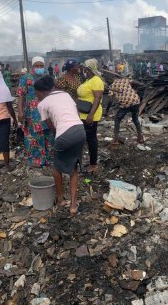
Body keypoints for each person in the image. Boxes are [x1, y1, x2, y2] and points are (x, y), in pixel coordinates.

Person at [35, 75, 86, 216]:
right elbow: (75, 113)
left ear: (42, 91)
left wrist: (60, 133)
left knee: (57, 167)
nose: (36, 96)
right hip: (80, 130)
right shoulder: (66, 95)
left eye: (36, 93)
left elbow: (51, 126)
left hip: (64, 134)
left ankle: (61, 199)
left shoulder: (42, 104)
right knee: (73, 167)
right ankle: (73, 206)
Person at [17, 56, 54, 167]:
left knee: (48, 134)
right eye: (36, 66)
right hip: (32, 112)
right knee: (33, 136)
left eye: (41, 66)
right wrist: (20, 111)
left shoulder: (47, 78)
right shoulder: (26, 78)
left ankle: (48, 159)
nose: (39, 68)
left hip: (47, 110)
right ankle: (36, 160)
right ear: (32, 66)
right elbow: (20, 95)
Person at [77, 59, 104, 173]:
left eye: (84, 68)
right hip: (83, 114)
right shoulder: (89, 80)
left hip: (90, 114)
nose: (83, 70)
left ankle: (93, 165)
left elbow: (97, 98)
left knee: (91, 138)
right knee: (86, 138)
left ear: (88, 68)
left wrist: (91, 115)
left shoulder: (96, 80)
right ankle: (89, 162)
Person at [105, 76, 144, 145]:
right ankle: (140, 137)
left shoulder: (111, 87)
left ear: (111, 80)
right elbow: (137, 83)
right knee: (135, 119)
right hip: (135, 100)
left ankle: (115, 139)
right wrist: (135, 88)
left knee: (117, 120)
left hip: (125, 104)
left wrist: (106, 111)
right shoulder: (125, 80)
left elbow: (110, 101)